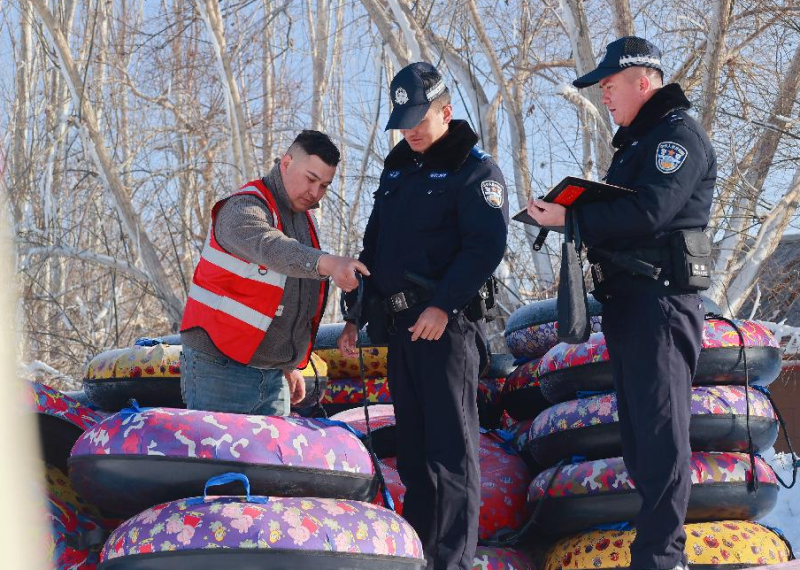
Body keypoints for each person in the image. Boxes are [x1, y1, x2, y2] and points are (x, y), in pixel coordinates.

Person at [527, 37, 715, 570]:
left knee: (660, 436)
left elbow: (650, 212)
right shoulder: (637, 143)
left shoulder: (676, 136)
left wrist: (573, 218)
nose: (604, 96)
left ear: (643, 81)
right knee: (638, 440)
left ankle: (662, 558)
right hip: (630, 303)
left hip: (661, 303)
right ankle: (653, 553)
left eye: (609, 85)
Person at [337, 62, 508, 570]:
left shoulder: (474, 169)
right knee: (413, 454)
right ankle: (421, 558)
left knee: (451, 454)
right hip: (400, 330)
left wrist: (443, 305)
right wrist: (355, 316)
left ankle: (453, 561)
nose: (410, 130)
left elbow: (485, 247)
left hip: (446, 328)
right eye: (403, 122)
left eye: (419, 119)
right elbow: (374, 248)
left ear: (445, 112)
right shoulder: (397, 170)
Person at [180, 130, 369, 416]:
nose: (315, 193)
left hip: (273, 374)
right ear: (286, 163)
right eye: (310, 179)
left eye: (324, 185)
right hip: (219, 367)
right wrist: (328, 263)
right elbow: (272, 248)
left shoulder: (304, 221)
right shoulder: (243, 207)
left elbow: (290, 298)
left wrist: (288, 363)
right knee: (224, 448)